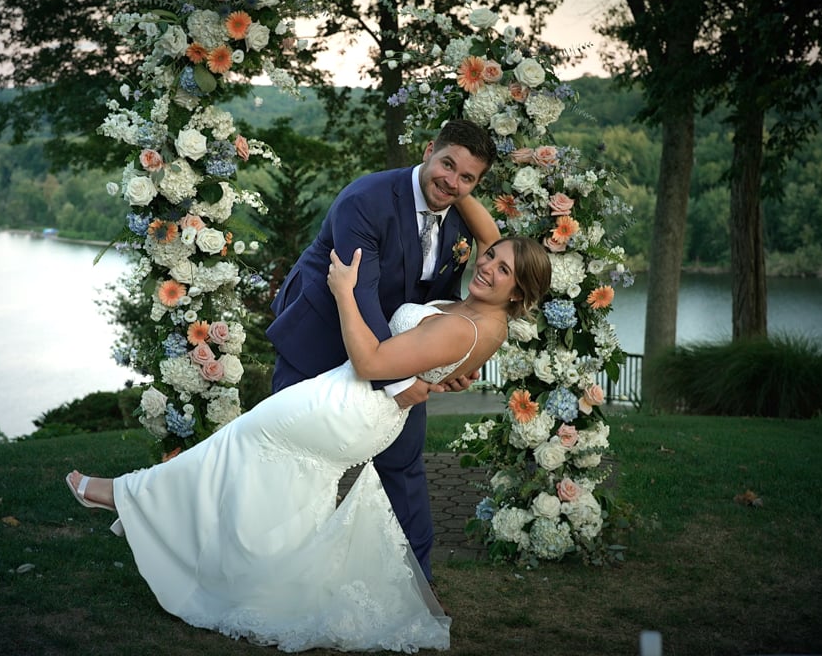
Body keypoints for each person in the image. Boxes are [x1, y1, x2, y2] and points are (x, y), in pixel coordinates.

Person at [65, 230, 553, 652]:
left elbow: (371, 364)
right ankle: (239, 563)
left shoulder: (472, 324)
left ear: (519, 291)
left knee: (242, 438)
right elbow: (424, 364)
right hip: (355, 398)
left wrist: (345, 291)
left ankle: (128, 497)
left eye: (504, 268)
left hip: (356, 404)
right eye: (490, 256)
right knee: (284, 485)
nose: (487, 264)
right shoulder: (482, 313)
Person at [266, 118, 497, 584]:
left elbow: (441, 306)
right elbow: (362, 294)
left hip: (393, 351)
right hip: (321, 334)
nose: (451, 182)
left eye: (467, 178)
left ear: (475, 185)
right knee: (290, 455)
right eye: (447, 164)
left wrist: (444, 367)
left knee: (404, 462)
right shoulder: (366, 201)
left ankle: (417, 582)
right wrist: (399, 380)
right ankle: (282, 572)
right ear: (429, 150)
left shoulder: (459, 224)